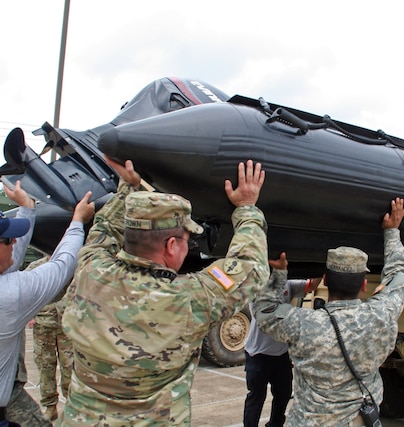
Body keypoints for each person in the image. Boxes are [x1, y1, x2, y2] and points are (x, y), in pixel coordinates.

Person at [59, 158, 270, 426]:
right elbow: (250, 268)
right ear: (171, 245)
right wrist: (247, 208)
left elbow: (103, 231)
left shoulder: (90, 270)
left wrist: (129, 188)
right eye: (187, 240)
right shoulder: (189, 298)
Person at [254, 197, 404, 426]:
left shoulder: (302, 324)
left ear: (326, 280)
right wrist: (392, 232)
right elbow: (400, 275)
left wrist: (279, 274)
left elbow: (264, 310)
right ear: (364, 284)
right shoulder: (382, 314)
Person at [0, 182, 95, 427]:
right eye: (9, 240)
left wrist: (27, 208)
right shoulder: (8, 296)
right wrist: (77, 222)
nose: (15, 244)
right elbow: (61, 268)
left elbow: (8, 263)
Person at [243, 252, 321, 427]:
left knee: (283, 395)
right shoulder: (256, 286)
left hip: (281, 355)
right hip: (258, 353)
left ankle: (275, 425)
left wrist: (320, 264)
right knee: (256, 398)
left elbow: (311, 286)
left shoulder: (289, 283)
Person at [29, 255, 74, 422]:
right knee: (45, 367)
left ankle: (70, 406)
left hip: (67, 326)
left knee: (70, 367)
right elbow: (26, 291)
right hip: (43, 323)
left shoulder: (71, 265)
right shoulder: (37, 266)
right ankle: (50, 406)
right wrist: (30, 314)